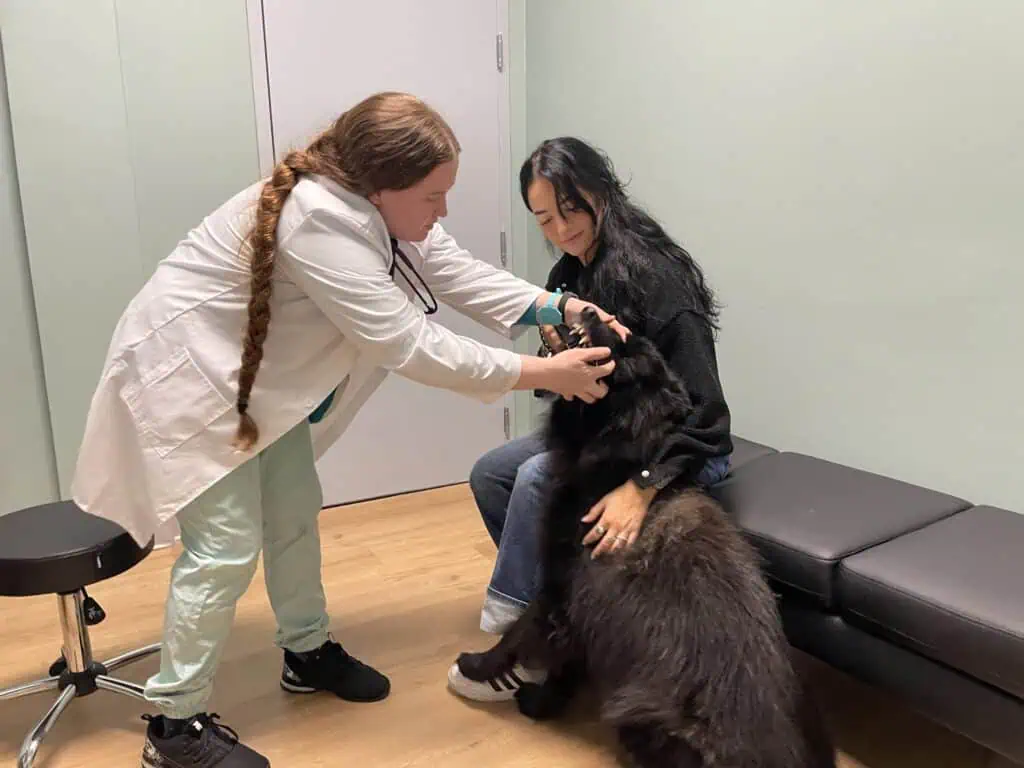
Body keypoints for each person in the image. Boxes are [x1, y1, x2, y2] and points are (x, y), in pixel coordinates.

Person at [71, 93, 628, 768]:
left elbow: (453, 271)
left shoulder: (380, 208)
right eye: (433, 196)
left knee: (295, 511)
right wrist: (546, 374)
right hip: (192, 385)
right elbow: (409, 344)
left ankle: (305, 651)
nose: (442, 210)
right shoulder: (319, 222)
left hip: (252, 389)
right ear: (381, 185)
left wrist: (554, 303)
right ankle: (174, 727)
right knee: (223, 549)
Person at [446, 136, 734, 702]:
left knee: (534, 479)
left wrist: (641, 489)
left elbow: (709, 421)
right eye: (544, 219)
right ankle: (561, 615)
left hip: (677, 449)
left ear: (601, 191)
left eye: (570, 210)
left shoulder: (659, 278)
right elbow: (590, 389)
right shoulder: (572, 273)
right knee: (493, 473)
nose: (559, 230)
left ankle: (527, 649)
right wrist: (556, 361)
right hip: (612, 439)